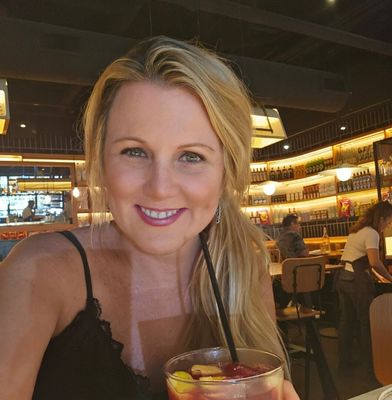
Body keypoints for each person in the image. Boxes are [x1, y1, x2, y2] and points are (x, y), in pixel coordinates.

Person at [0, 37, 299, 399]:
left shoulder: (245, 269)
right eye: (135, 151)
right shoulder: (40, 272)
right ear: (101, 161)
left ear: (226, 172)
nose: (160, 188)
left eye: (191, 156)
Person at [337, 201, 392, 374]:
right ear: (381, 219)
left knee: (346, 322)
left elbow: (361, 261)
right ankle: (371, 367)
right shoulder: (372, 233)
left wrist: (380, 277)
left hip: (344, 278)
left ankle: (344, 363)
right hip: (356, 282)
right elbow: (374, 262)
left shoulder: (357, 230)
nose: (389, 225)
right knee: (367, 322)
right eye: (389, 221)